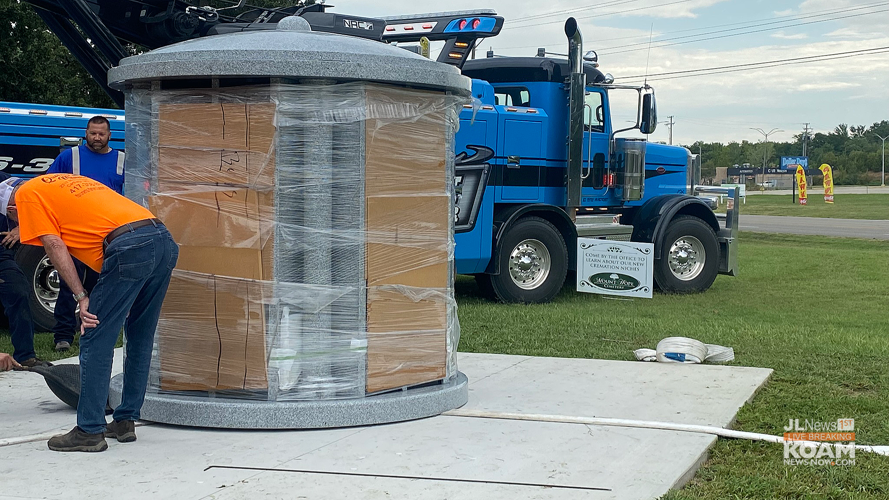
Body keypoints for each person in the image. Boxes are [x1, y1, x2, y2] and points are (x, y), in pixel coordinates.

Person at [1, 174, 178, 452]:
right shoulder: (58, 182)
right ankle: (125, 419)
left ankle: (89, 430)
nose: (21, 227)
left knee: (94, 334)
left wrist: (81, 296)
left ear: (12, 210)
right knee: (140, 334)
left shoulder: (26, 197)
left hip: (129, 246)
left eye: (16, 222)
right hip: (162, 239)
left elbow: (54, 245)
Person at [46, 116, 124, 352]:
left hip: (108, 235)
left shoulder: (122, 160)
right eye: (92, 133)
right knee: (70, 284)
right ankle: (63, 336)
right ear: (86, 133)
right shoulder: (70, 157)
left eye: (101, 134)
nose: (97, 138)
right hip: (75, 234)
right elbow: (46, 184)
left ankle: (93, 332)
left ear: (110, 135)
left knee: (100, 287)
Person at [0, 172, 50, 370]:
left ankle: (26, 356)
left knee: (19, 289)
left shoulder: (6, 180)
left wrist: (22, 227)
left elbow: (34, 204)